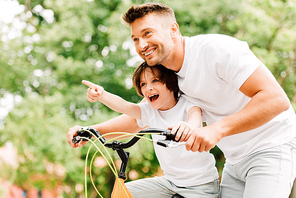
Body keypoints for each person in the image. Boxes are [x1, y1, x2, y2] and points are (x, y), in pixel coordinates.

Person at [67, 3, 296, 198]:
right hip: (234, 160)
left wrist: (216, 130)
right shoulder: (168, 77)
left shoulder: (215, 50)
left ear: (173, 29)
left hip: (272, 148)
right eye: (135, 38)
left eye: (148, 33)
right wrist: (90, 131)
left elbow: (276, 99)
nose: (141, 45)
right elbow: (141, 117)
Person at [80, 62, 219, 197]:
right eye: (143, 84)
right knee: (124, 192)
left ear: (170, 83)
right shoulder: (149, 111)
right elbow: (124, 106)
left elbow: (195, 118)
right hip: (170, 183)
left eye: (155, 81)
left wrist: (188, 127)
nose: (148, 88)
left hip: (200, 184)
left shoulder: (187, 104)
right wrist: (102, 95)